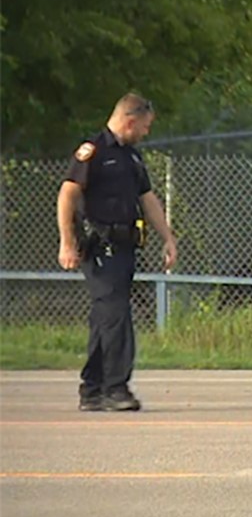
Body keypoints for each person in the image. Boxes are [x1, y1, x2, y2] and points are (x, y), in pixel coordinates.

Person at [56, 93, 177, 412]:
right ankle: (115, 387)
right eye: (145, 126)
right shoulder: (93, 152)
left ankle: (92, 389)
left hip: (124, 248)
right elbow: (67, 195)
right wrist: (67, 242)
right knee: (116, 314)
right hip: (99, 247)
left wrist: (168, 238)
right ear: (130, 120)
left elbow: (148, 199)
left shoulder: (131, 158)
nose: (146, 133)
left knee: (104, 316)